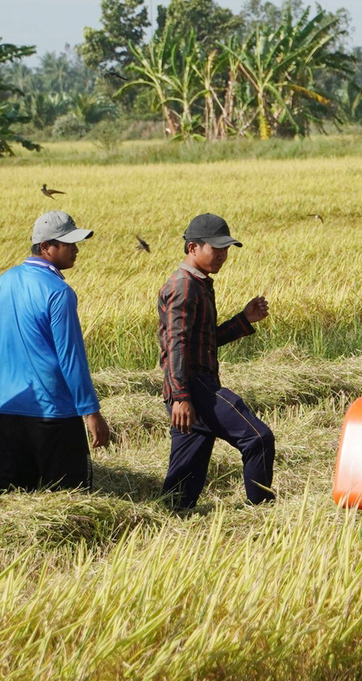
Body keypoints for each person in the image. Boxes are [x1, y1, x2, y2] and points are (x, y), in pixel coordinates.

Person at [0, 210, 113, 492]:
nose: (76, 250)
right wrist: (91, 412)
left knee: (11, 499)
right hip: (53, 414)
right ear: (46, 247)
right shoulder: (58, 292)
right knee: (69, 497)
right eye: (69, 244)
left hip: (8, 410)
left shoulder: (3, 282)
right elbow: (71, 358)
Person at [157, 212, 275, 510]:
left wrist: (243, 320)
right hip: (195, 386)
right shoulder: (184, 286)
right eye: (216, 247)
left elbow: (203, 340)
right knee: (258, 438)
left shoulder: (198, 283)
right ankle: (261, 511)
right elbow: (175, 345)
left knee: (181, 488)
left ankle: (168, 522)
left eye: (226, 249)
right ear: (193, 247)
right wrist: (182, 397)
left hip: (191, 388)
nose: (223, 255)